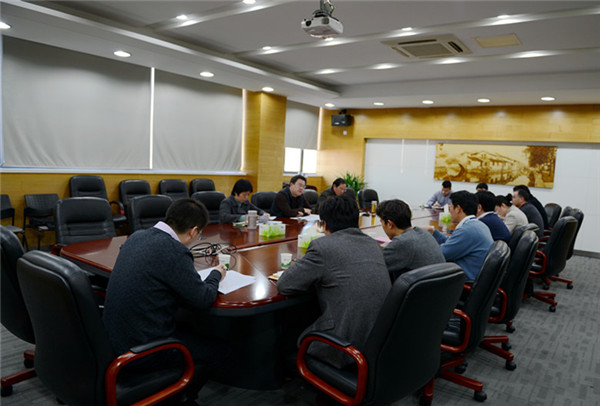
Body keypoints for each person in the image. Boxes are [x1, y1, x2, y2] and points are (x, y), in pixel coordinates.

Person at [103, 199, 228, 403]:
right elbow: (203, 298)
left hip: (113, 340)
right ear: (193, 231)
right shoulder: (174, 251)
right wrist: (216, 275)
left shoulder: (137, 236)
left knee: (189, 327)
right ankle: (181, 398)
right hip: (140, 352)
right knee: (218, 350)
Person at [277, 195, 391, 368]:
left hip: (345, 346)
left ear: (324, 224)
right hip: (379, 342)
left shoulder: (322, 247)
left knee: (289, 328)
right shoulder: (373, 244)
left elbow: (285, 285)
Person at [421, 190, 493, 281]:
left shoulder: (467, 230)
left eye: (450, 207)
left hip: (464, 280)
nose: (449, 211)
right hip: (473, 273)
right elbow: (453, 241)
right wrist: (433, 231)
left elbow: (439, 255)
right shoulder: (477, 224)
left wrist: (421, 244)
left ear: (458, 209)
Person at [376, 199, 445, 281]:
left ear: (389, 224)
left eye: (381, 222)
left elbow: (373, 265)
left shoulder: (402, 243)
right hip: (438, 286)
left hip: (419, 288)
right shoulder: (423, 233)